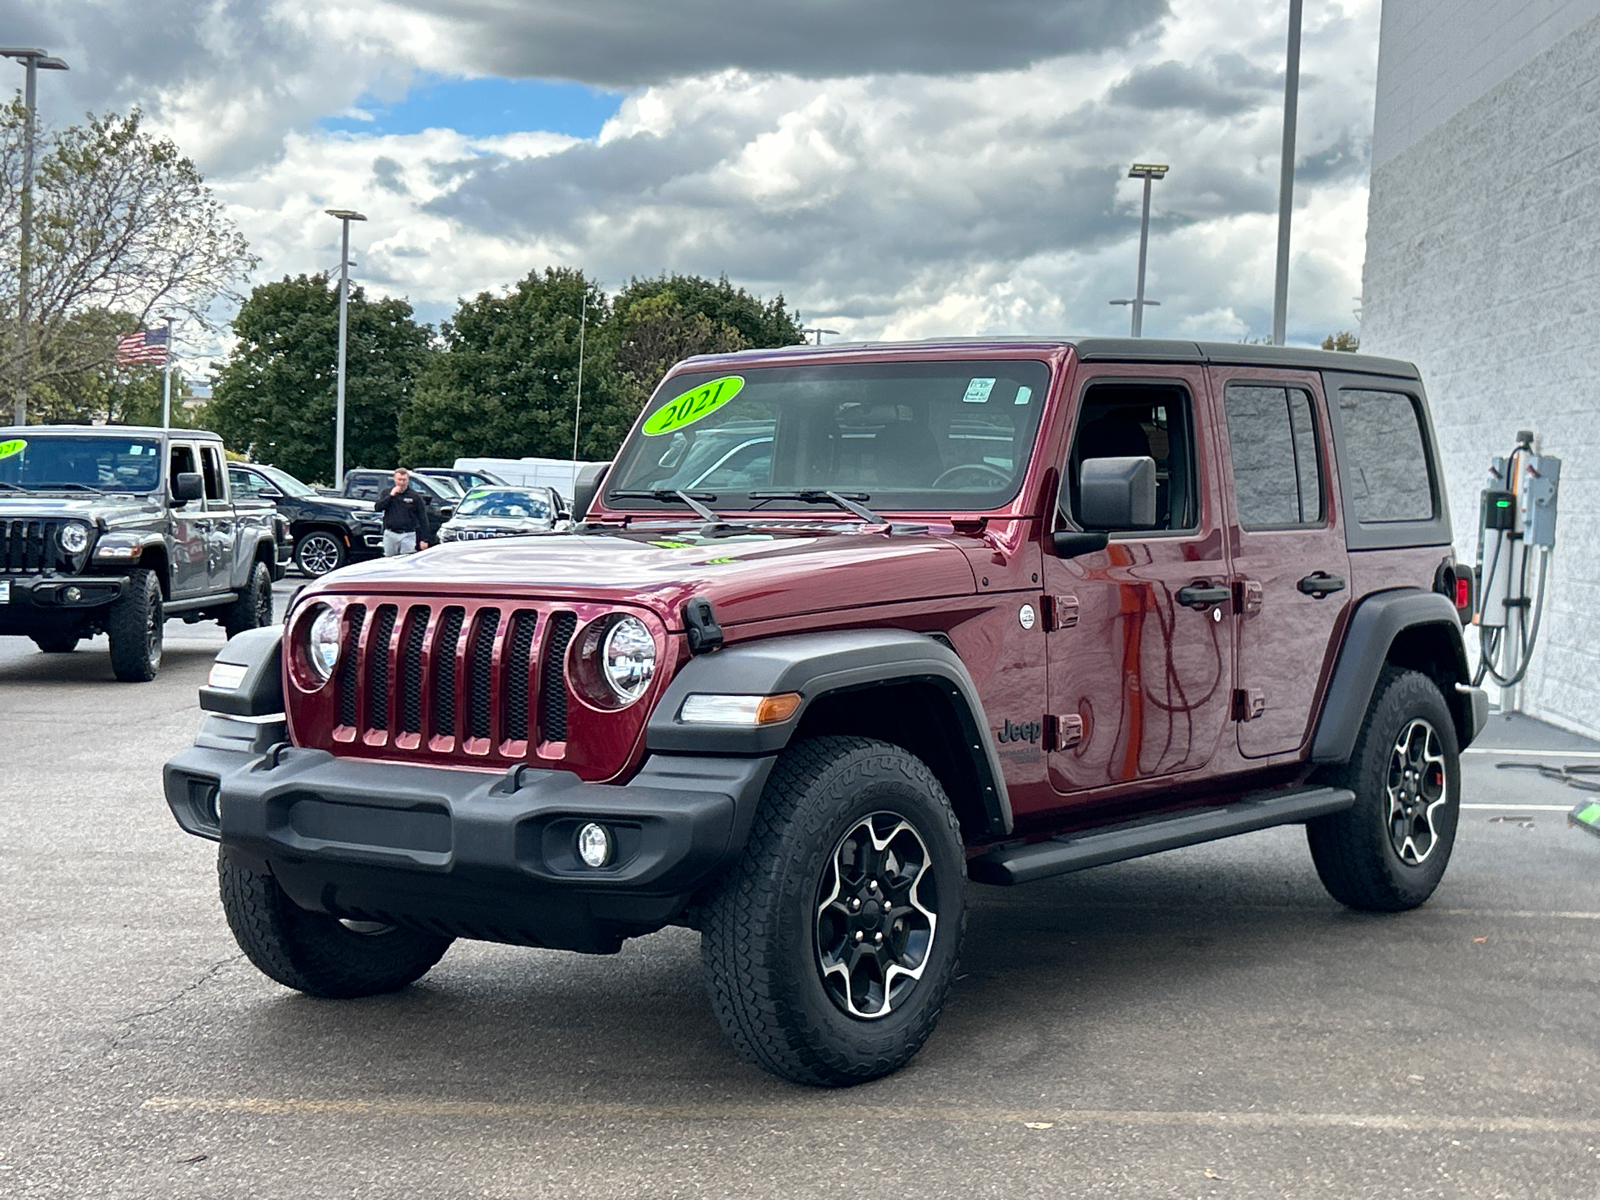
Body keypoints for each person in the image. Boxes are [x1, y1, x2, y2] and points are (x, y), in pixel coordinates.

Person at [374, 467, 431, 556]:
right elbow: (378, 508)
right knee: (389, 560)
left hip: (408, 534)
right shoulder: (387, 493)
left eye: (404, 480)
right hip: (390, 533)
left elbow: (423, 518)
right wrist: (391, 495)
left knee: (406, 560)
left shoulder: (414, 496)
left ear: (408, 480)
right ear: (394, 479)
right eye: (399, 480)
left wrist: (424, 539)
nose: (401, 483)